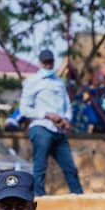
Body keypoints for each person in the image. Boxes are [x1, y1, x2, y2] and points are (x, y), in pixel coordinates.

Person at [20, 49, 84, 196]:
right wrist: (47, 115)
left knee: (70, 168)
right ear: (40, 63)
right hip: (41, 128)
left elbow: (67, 104)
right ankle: (38, 198)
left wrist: (67, 119)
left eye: (50, 62)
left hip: (59, 131)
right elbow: (24, 109)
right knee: (40, 167)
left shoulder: (59, 82)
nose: (48, 65)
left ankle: (79, 197)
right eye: (46, 62)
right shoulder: (32, 82)